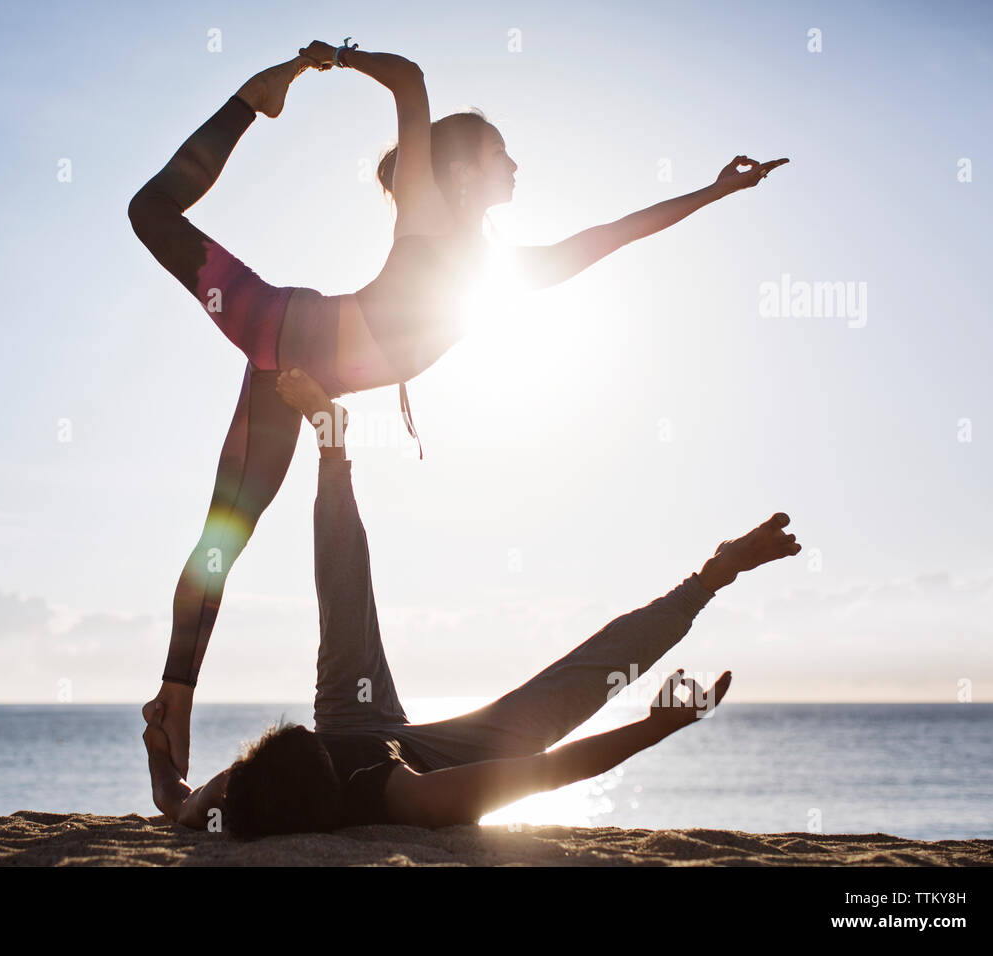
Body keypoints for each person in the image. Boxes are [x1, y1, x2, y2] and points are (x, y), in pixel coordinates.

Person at [129, 39, 790, 777]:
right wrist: (330, 60)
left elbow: (609, 237)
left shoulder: (499, 272)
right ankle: (257, 97)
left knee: (224, 537)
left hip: (293, 377)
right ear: (466, 167)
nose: (514, 164)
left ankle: (169, 708)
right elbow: (409, 81)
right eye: (502, 153)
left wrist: (714, 192)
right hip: (277, 324)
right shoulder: (425, 208)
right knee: (148, 212)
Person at [144, 368, 802, 836]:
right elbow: (544, 772)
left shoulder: (240, 793)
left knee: (343, 595)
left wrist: (157, 746)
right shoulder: (407, 797)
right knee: (566, 697)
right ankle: (714, 576)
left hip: (350, 712)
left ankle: (332, 441)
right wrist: (659, 727)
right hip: (442, 757)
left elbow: (172, 802)